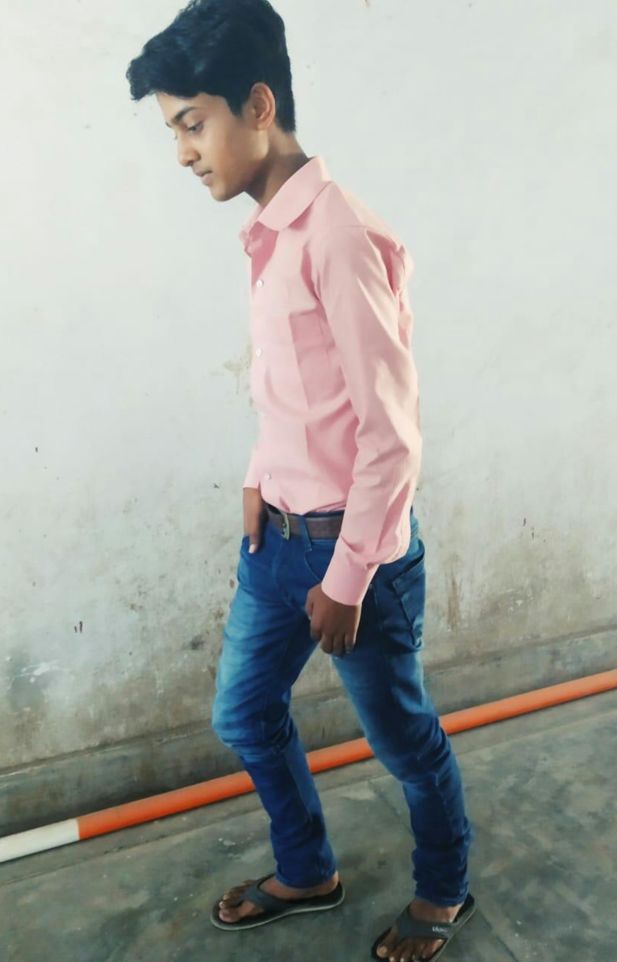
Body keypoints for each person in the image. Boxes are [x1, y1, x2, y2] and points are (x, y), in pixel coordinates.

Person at [127, 2, 475, 958]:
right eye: (173, 132)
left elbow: (391, 434)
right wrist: (260, 474)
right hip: (275, 542)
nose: (183, 153)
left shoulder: (337, 235)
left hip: (351, 559)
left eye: (192, 124)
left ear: (258, 105)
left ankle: (444, 890)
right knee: (242, 713)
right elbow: (300, 395)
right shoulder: (271, 234)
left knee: (403, 741)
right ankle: (309, 869)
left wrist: (349, 577)